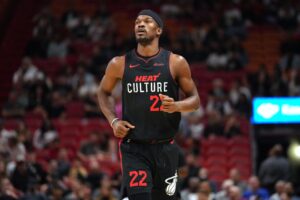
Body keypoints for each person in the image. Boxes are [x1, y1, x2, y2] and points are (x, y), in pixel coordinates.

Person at [97, 9, 200, 200]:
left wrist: (176, 106)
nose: (140, 25)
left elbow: (195, 101)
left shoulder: (175, 62)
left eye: (147, 21)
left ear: (159, 30)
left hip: (166, 148)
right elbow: (103, 92)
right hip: (134, 147)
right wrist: (113, 121)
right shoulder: (119, 63)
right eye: (137, 22)